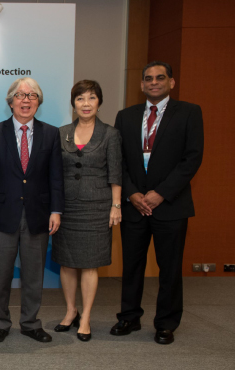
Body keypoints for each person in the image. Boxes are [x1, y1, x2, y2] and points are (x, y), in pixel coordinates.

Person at [111, 61, 203, 345]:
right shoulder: (125, 116)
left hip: (171, 205)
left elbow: (192, 158)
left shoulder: (189, 112)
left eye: (160, 78)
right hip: (134, 204)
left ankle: (166, 323)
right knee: (133, 266)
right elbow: (118, 161)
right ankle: (129, 317)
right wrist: (132, 193)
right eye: (148, 78)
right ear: (141, 84)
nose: (154, 82)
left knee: (170, 269)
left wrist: (160, 193)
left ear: (171, 82)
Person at [0, 77, 64, 344]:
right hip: (1, 214)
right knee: (0, 274)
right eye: (20, 95)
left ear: (38, 102)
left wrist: (56, 210)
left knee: (33, 274)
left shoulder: (52, 133)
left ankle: (31, 323)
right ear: (10, 102)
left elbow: (56, 177)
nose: (26, 100)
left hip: (38, 214)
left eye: (32, 95)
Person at [52, 80, 122, 342]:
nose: (86, 103)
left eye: (91, 98)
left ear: (99, 102)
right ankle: (71, 312)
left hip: (97, 207)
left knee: (90, 264)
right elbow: (54, 173)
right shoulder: (61, 133)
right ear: (73, 103)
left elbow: (115, 172)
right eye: (80, 98)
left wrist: (116, 205)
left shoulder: (110, 134)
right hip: (66, 206)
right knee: (67, 262)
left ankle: (87, 317)